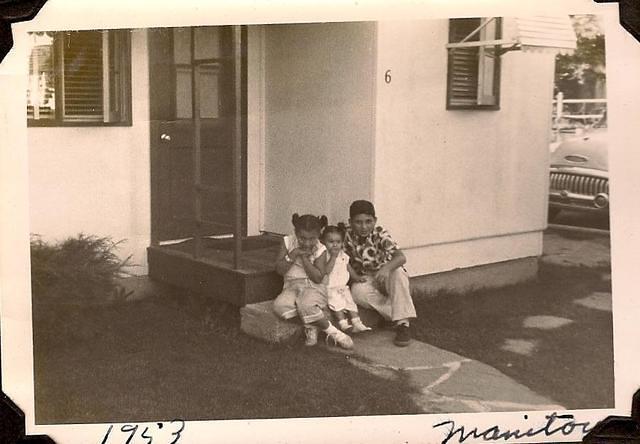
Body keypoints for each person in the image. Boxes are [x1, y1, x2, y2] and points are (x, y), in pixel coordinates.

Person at [273, 213, 354, 349]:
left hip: (313, 287)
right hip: (292, 286)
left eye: (312, 239)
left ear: (318, 235)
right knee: (279, 306)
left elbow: (318, 277)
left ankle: (335, 333)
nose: (307, 243)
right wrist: (293, 254)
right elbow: (279, 270)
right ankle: (311, 324)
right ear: (295, 232)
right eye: (302, 238)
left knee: (305, 305)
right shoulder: (287, 242)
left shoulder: (320, 248)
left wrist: (305, 259)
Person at [343, 200, 417, 347]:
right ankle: (392, 314)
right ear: (350, 222)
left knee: (398, 273)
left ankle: (403, 324)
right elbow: (343, 260)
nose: (364, 227)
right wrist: (355, 277)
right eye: (358, 222)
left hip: (387, 274)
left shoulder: (380, 234)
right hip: (368, 277)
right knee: (357, 292)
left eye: (368, 221)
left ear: (375, 220)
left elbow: (401, 257)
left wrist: (386, 269)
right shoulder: (348, 236)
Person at [316, 224, 372, 333]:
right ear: (323, 242)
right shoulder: (324, 255)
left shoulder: (343, 254)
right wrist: (333, 257)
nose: (335, 245)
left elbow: (348, 268)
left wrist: (356, 278)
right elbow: (326, 271)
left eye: (338, 242)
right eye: (331, 242)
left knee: (350, 303)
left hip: (343, 287)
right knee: (338, 305)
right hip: (330, 288)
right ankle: (343, 324)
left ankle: (357, 323)